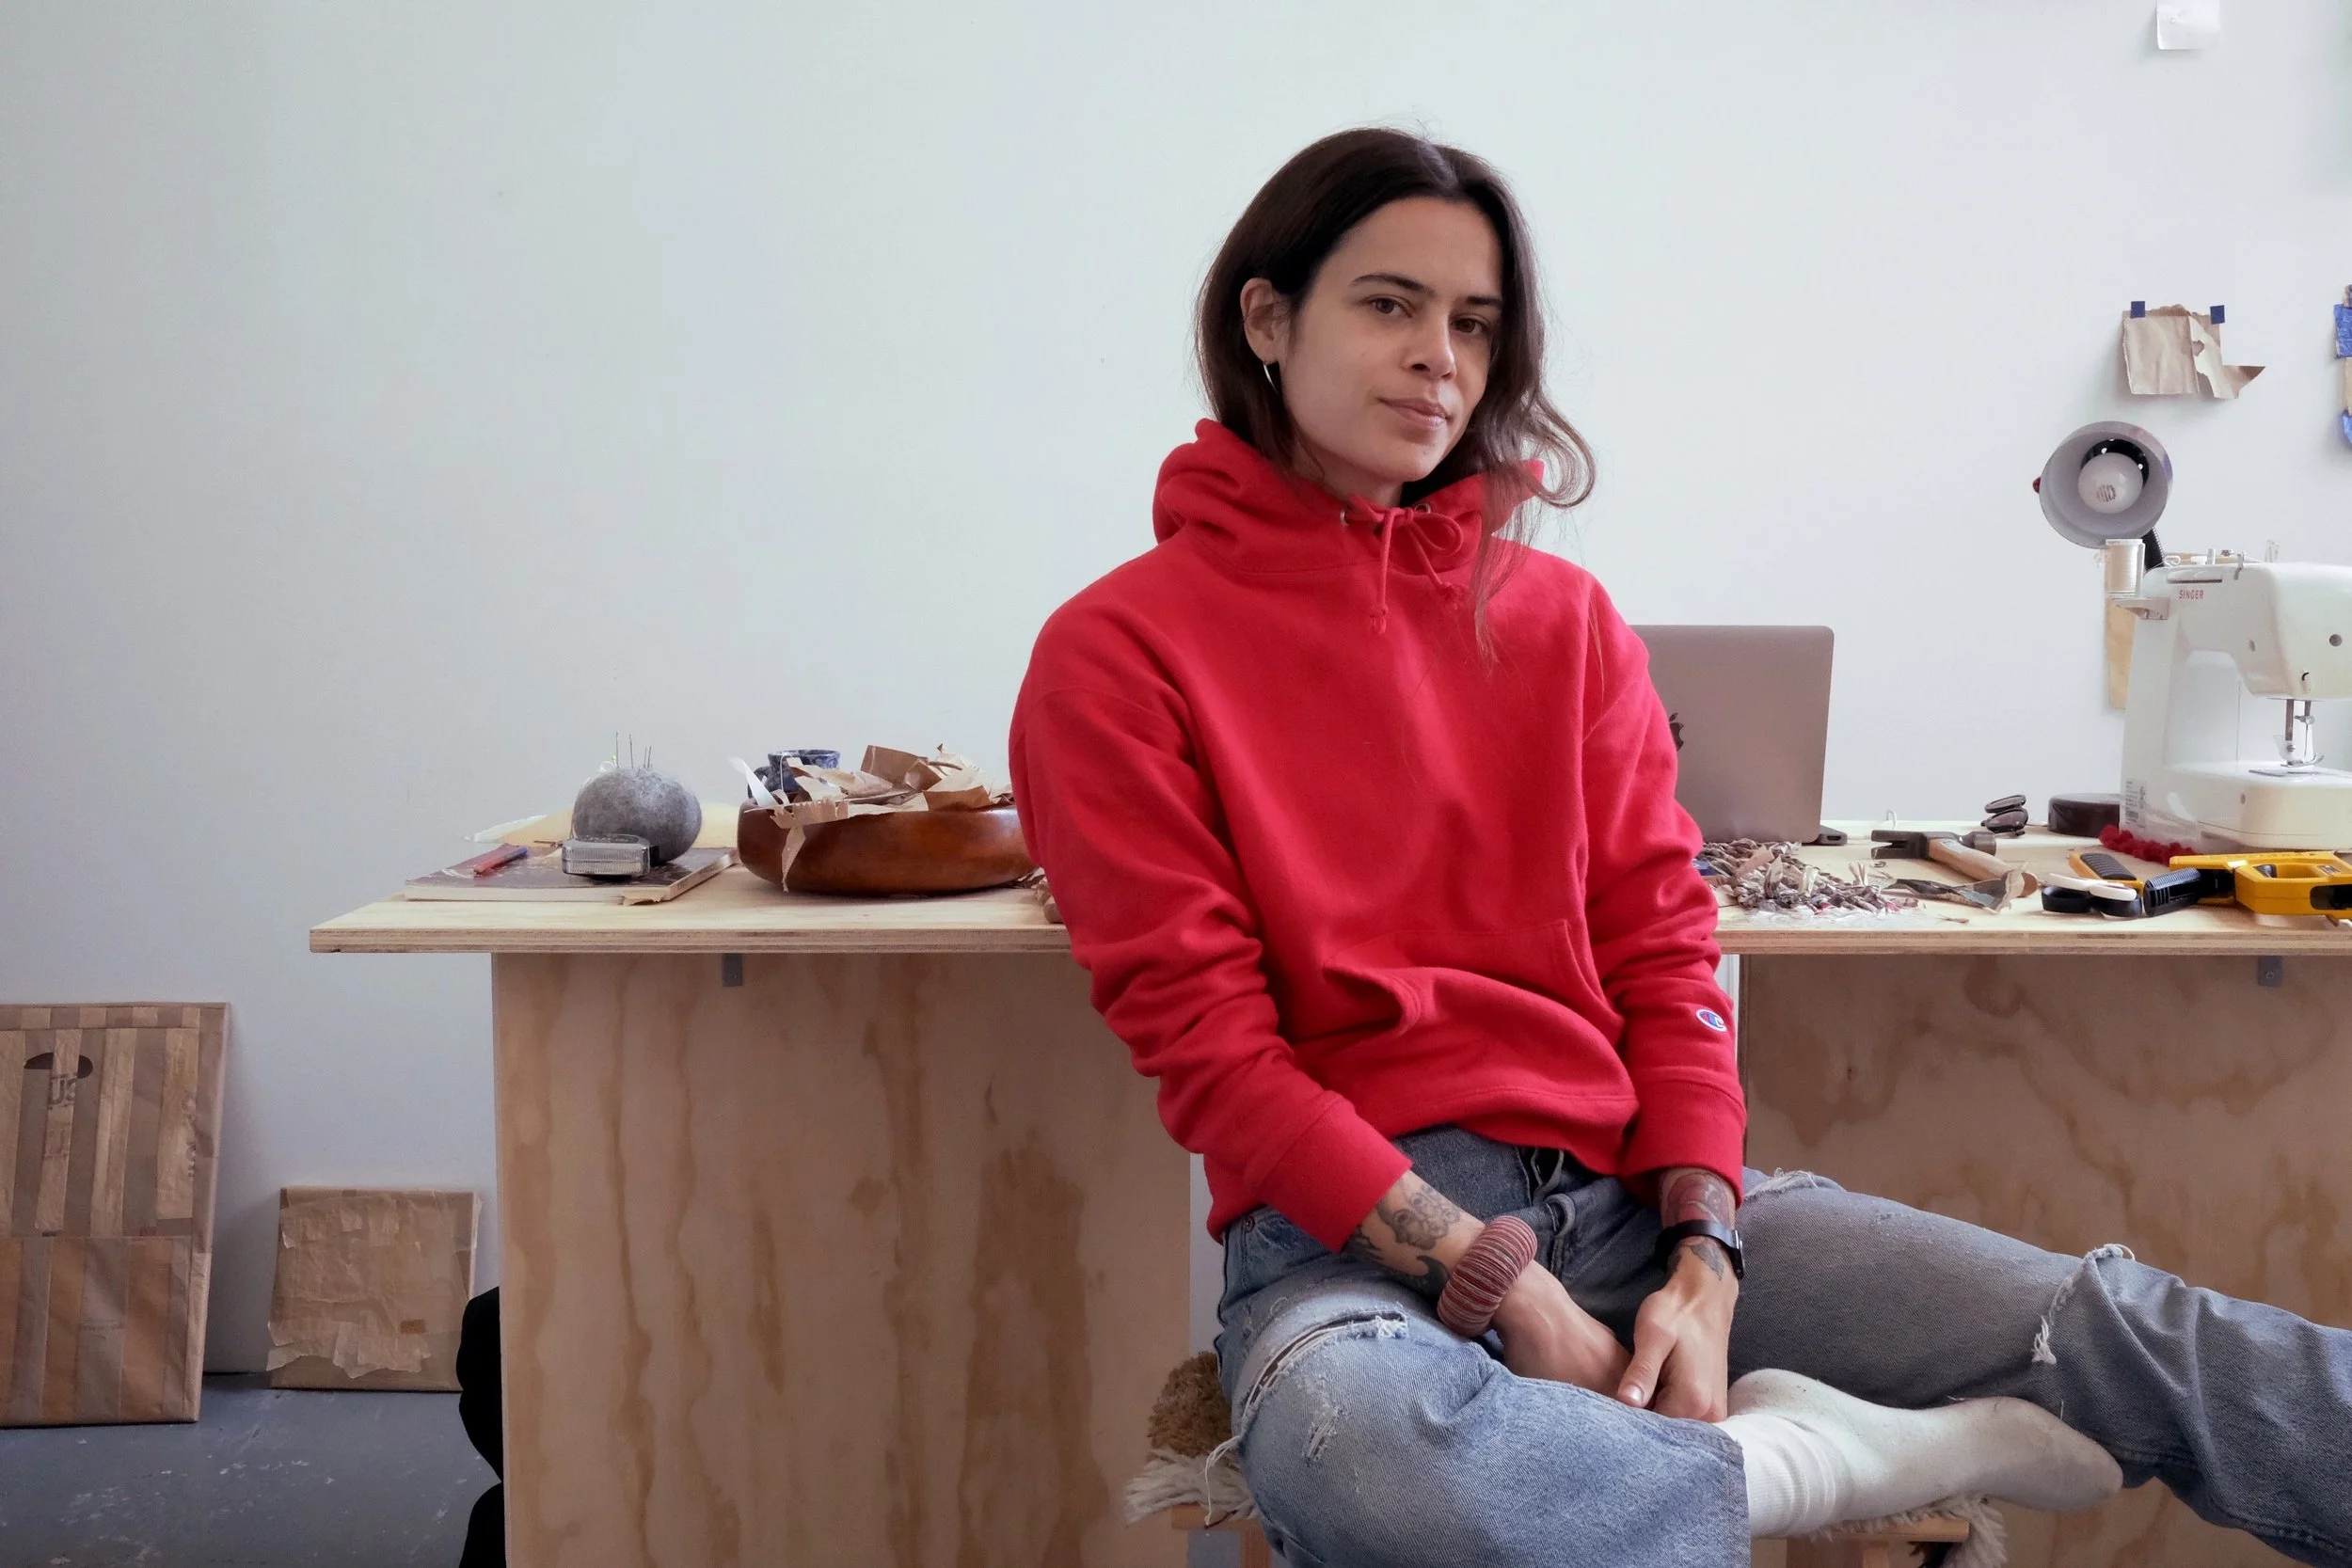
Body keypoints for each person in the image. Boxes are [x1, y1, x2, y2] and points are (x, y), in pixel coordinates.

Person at [1007, 127, 2352, 1567]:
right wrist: (1504, 1285)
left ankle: (1714, 1455)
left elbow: (1668, 952)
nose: (1439, 359)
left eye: (1474, 323)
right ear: (1267, 319)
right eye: (1389, 305)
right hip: (1357, 1265)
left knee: (2126, 1332)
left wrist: (1707, 1263)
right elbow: (1221, 1067)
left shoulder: (1566, 622)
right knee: (1378, 1461)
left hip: (1637, 1199)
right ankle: (1792, 1471)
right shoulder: (1115, 653)